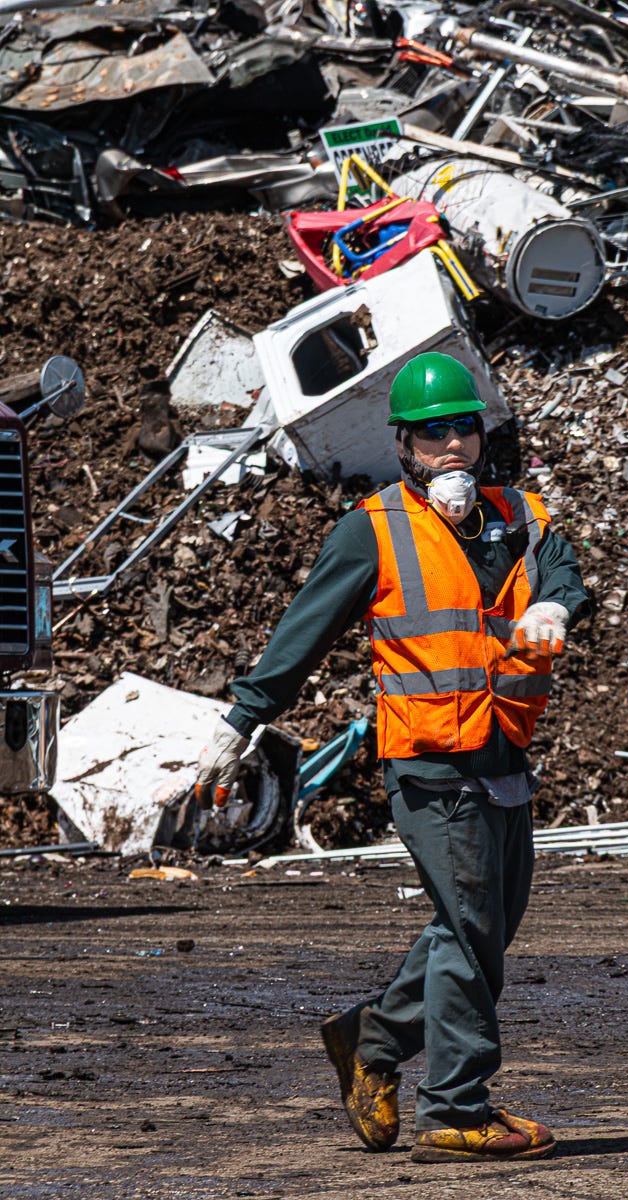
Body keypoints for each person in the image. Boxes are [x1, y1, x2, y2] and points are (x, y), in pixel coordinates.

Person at [196, 351, 588, 1164]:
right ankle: (455, 1107)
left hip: (502, 753)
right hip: (428, 763)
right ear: (404, 447)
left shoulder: (522, 515)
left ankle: (370, 1038)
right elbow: (305, 630)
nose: (451, 448)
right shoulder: (373, 530)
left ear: (483, 439)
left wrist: (554, 599)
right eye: (432, 434)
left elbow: (562, 568)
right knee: (471, 927)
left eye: (463, 430)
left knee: (484, 928)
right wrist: (243, 719)